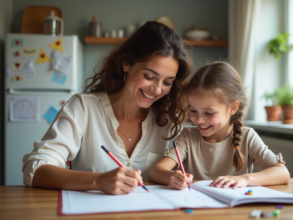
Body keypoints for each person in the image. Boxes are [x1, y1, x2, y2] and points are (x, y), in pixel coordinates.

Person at [22, 21, 191, 195]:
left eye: (167, 82)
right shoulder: (83, 108)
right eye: (149, 76)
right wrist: (97, 181)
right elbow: (35, 170)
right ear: (126, 64)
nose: (157, 89)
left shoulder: (168, 122)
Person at [148, 61, 290, 190]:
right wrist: (170, 177)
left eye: (209, 113)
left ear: (233, 108)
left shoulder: (247, 137)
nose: (199, 119)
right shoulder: (188, 137)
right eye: (193, 110)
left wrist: (245, 179)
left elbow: (282, 173)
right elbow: (156, 171)